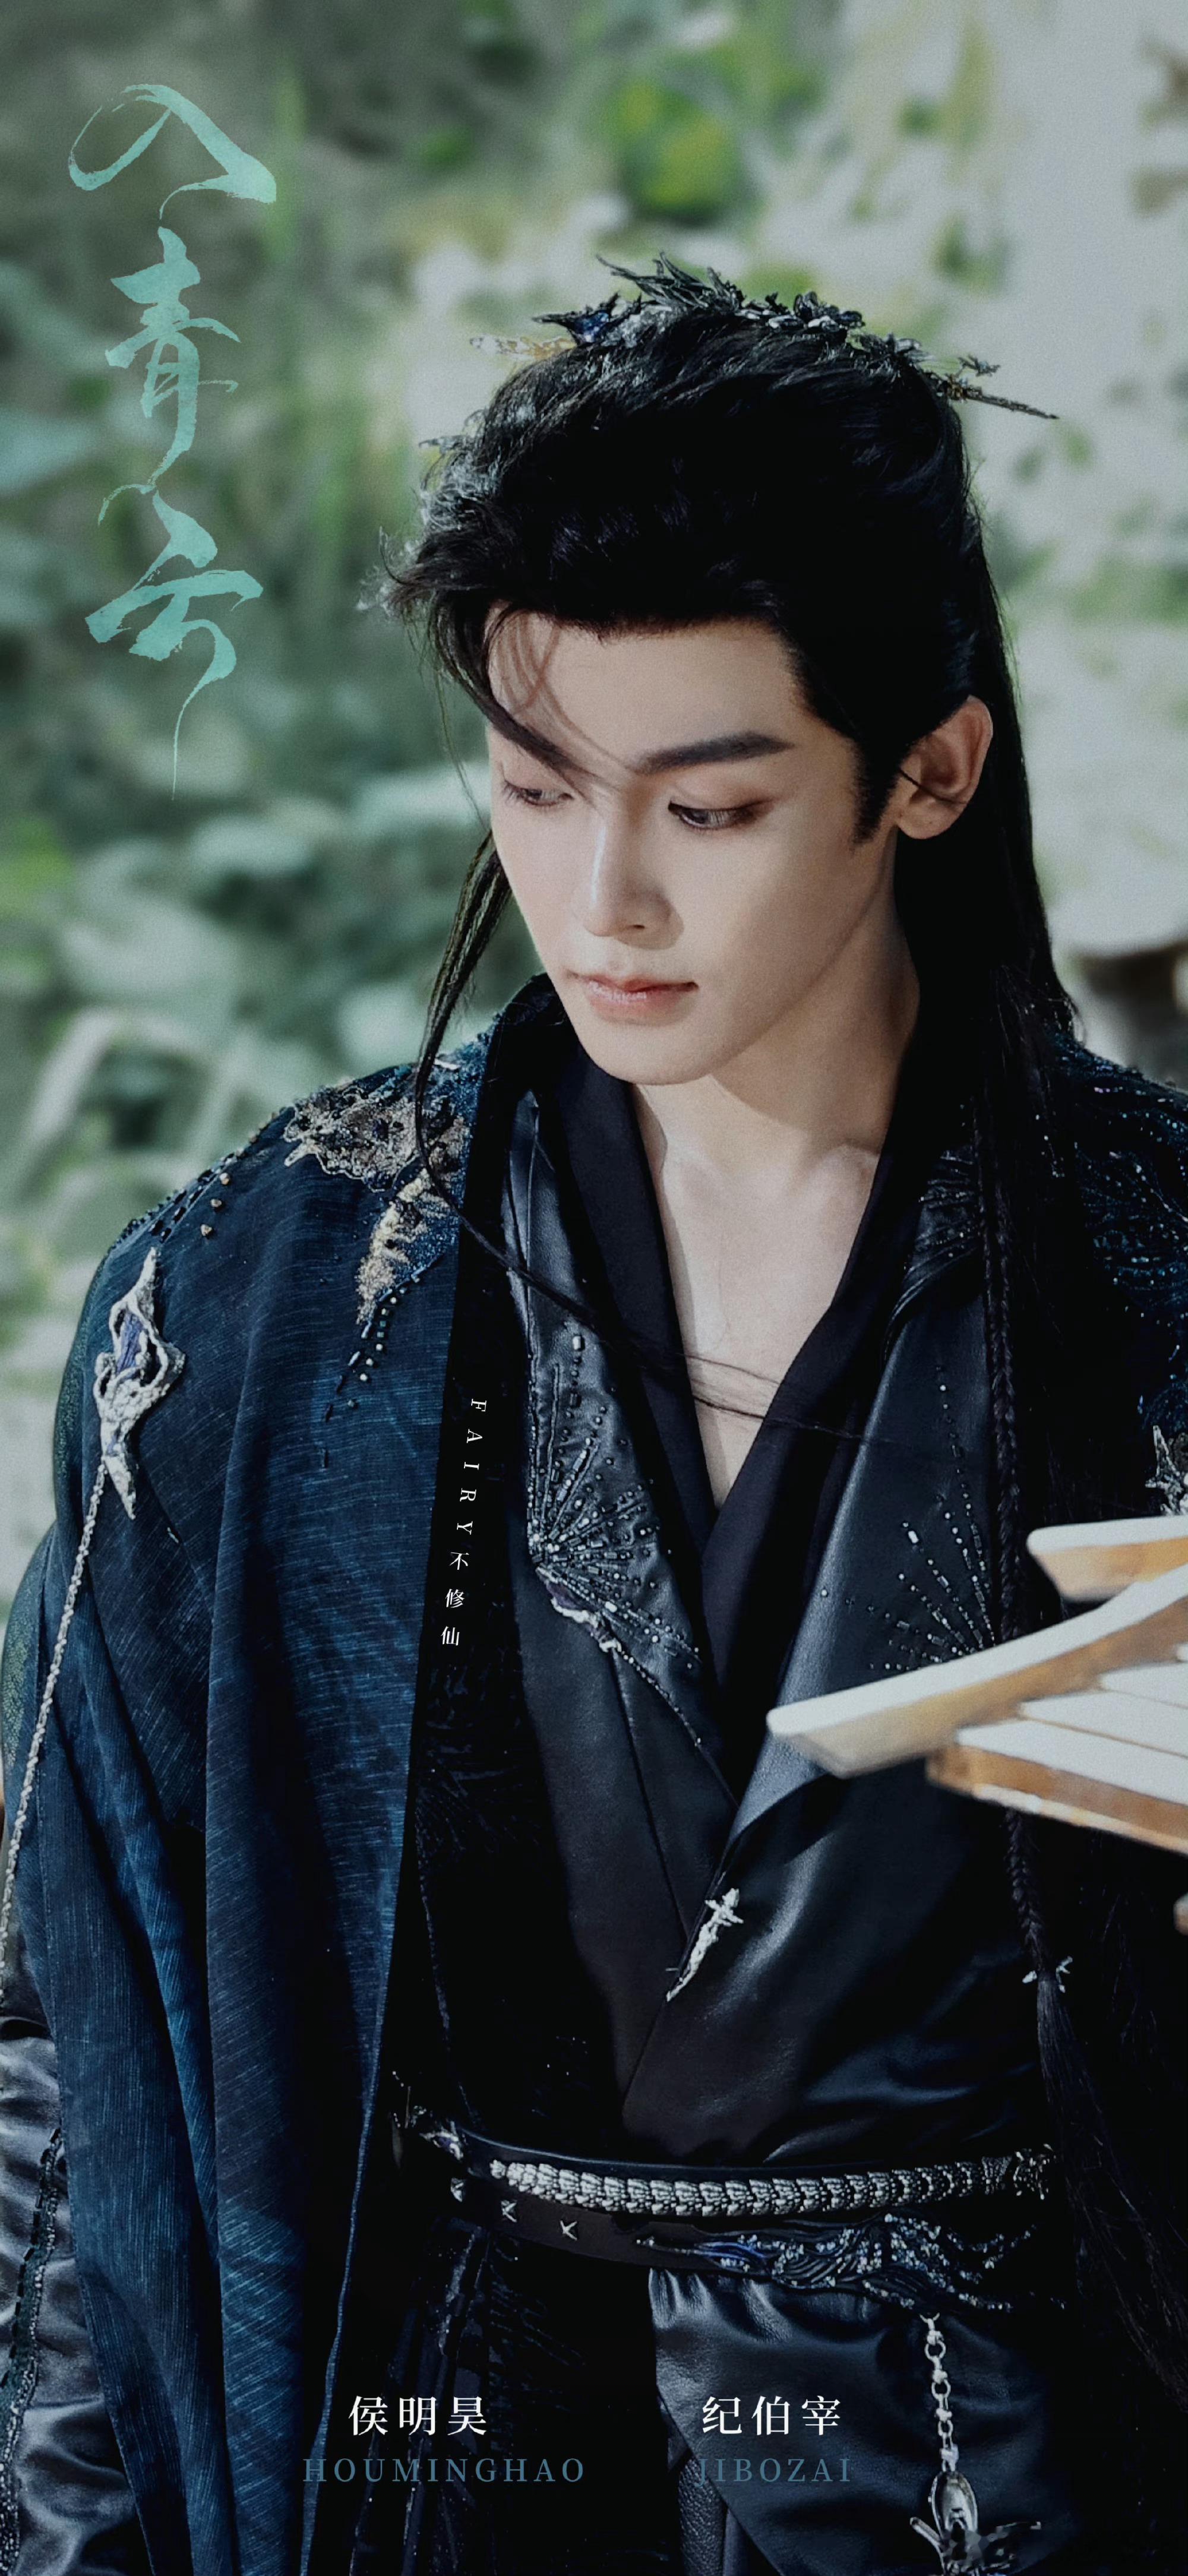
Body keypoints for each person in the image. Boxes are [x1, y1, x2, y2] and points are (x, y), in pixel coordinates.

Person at [1, 256, 1185, 2576]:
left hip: (1015, 2476)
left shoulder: (1153, 1295)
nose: (601, 894)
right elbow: (71, 2017)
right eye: (537, 783)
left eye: (712, 805)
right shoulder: (247, 1313)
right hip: (456, 2459)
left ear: (928, 768)